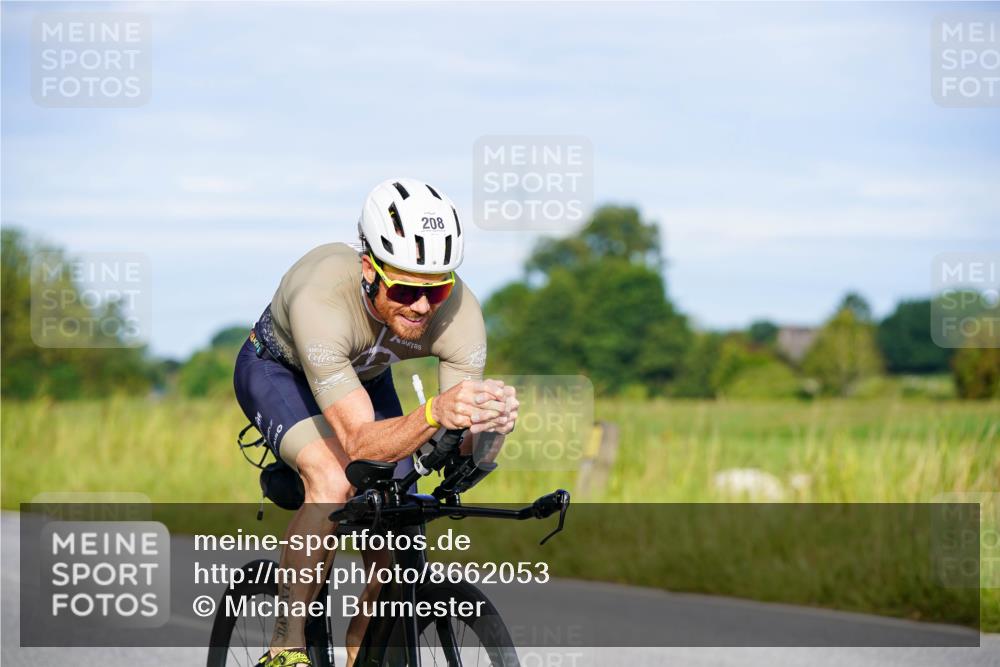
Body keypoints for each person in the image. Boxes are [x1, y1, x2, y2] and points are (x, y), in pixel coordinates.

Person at [233, 177, 519, 667]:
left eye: (437, 289)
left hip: (364, 379)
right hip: (280, 372)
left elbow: (455, 448)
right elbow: (361, 444)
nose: (423, 307)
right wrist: (433, 411)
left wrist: (485, 431)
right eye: (406, 289)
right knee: (330, 477)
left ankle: (363, 655)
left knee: (396, 520)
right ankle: (286, 643)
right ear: (369, 268)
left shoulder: (461, 312)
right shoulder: (321, 298)